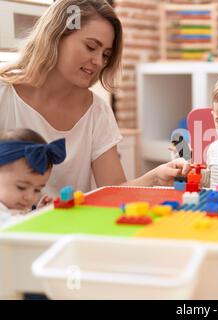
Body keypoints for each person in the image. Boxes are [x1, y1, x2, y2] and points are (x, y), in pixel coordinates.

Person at [0, 0, 190, 198]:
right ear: (56, 36)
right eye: (91, 47)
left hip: (69, 227)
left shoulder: (97, 111)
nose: (99, 61)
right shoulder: (4, 94)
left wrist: (156, 178)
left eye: (106, 55)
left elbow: (113, 190)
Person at [0, 128, 66, 226]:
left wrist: (37, 213)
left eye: (37, 190)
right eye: (21, 187)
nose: (30, 197)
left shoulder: (15, 209)